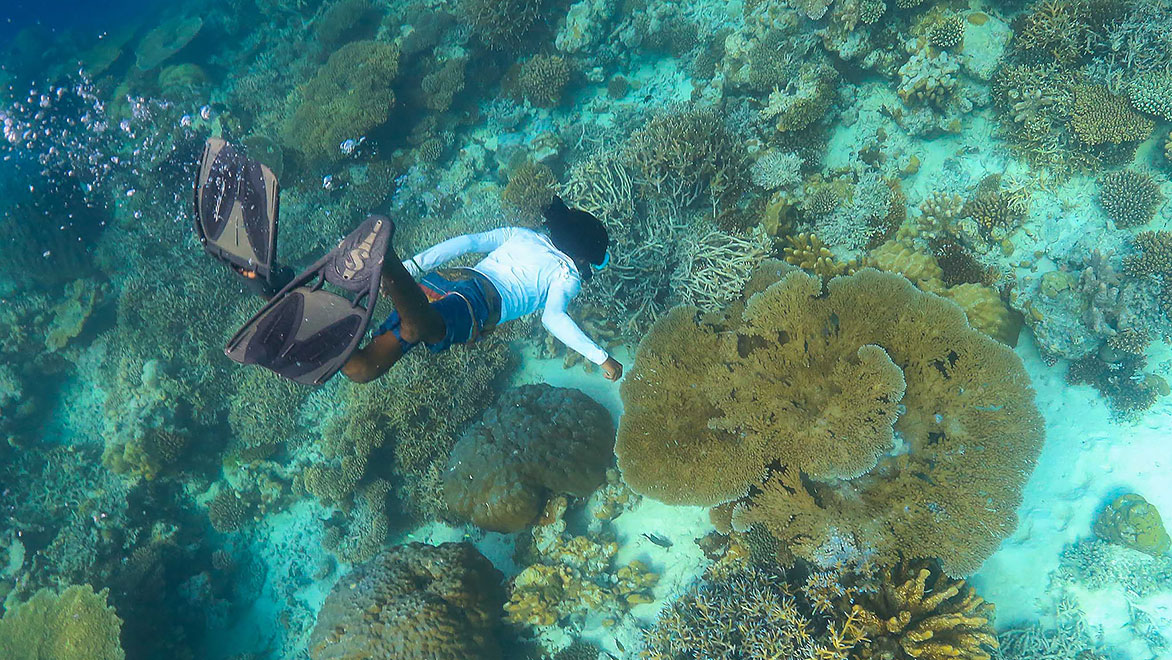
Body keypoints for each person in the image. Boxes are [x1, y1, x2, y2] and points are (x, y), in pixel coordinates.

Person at [341, 195, 624, 384]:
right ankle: (388, 265)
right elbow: (553, 318)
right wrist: (602, 357)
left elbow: (468, 242)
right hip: (475, 304)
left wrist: (414, 266)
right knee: (407, 337)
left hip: (446, 280)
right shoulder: (568, 275)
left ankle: (388, 276)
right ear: (584, 259)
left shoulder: (525, 234)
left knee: (365, 360)